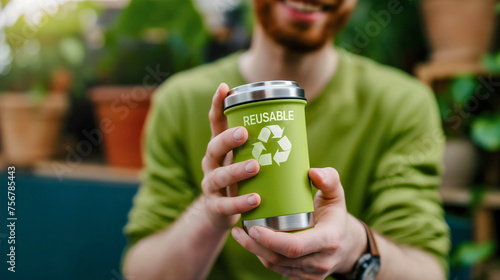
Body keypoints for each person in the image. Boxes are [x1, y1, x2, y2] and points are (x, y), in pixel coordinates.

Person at [122, 0, 450, 279]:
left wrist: (354, 245)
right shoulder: (179, 101)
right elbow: (141, 271)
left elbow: (428, 270)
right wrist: (210, 215)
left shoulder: (402, 103)